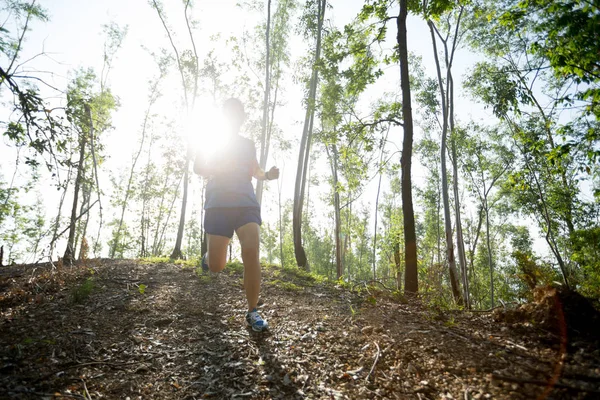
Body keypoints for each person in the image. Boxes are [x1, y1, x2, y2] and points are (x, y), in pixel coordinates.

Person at [193, 98, 279, 332]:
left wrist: (267, 175)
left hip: (245, 201)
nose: (235, 117)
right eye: (231, 113)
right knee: (217, 266)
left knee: (251, 250)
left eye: (239, 114)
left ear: (242, 118)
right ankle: (207, 259)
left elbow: (255, 170)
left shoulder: (247, 144)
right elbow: (198, 167)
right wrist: (221, 168)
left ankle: (252, 311)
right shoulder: (210, 139)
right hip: (218, 202)